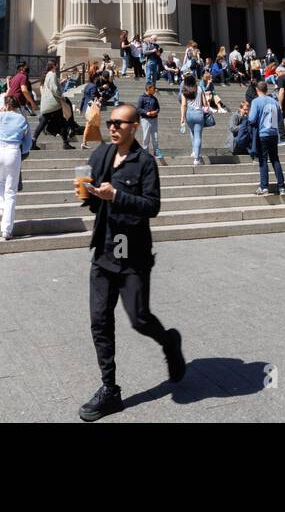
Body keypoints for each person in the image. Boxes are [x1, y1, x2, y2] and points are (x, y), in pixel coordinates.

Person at [79, 104, 185, 421]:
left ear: (135, 127)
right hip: (103, 250)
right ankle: (109, 390)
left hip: (132, 252)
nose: (112, 127)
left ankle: (169, 342)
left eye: (119, 124)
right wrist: (89, 197)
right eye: (110, 122)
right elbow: (95, 203)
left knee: (139, 319)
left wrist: (117, 197)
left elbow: (152, 206)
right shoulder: (100, 156)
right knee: (99, 321)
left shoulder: (145, 164)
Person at [0, 94, 34, 240]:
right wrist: (20, 151)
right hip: (13, 151)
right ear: (17, 106)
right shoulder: (22, 119)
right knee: (11, 192)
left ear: (6, 104)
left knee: (0, 181)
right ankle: (6, 230)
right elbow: (28, 144)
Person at [248, 81, 285, 195]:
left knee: (263, 160)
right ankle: (281, 187)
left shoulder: (256, 101)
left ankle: (264, 186)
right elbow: (279, 119)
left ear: (257, 90)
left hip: (262, 133)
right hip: (273, 133)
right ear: (266, 89)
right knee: (275, 159)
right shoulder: (274, 102)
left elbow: (251, 118)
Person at [33, 59, 73, 151]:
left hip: (47, 105)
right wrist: (61, 97)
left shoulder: (47, 75)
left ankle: (33, 140)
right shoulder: (53, 74)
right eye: (57, 65)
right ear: (54, 65)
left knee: (43, 122)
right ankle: (65, 143)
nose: (57, 67)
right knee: (63, 122)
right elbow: (54, 89)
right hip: (54, 104)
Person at [179, 75, 206, 165]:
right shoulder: (199, 89)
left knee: (192, 132)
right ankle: (196, 159)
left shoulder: (184, 91)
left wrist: (182, 118)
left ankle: (194, 151)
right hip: (198, 114)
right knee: (198, 136)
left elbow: (183, 105)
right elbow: (205, 103)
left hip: (189, 114)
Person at [137, 82, 162, 158]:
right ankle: (145, 153)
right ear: (149, 88)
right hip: (146, 120)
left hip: (154, 119)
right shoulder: (142, 98)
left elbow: (158, 108)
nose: (155, 90)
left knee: (155, 137)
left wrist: (156, 112)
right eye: (153, 88)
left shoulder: (154, 98)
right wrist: (146, 113)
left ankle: (156, 152)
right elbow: (138, 109)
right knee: (146, 137)